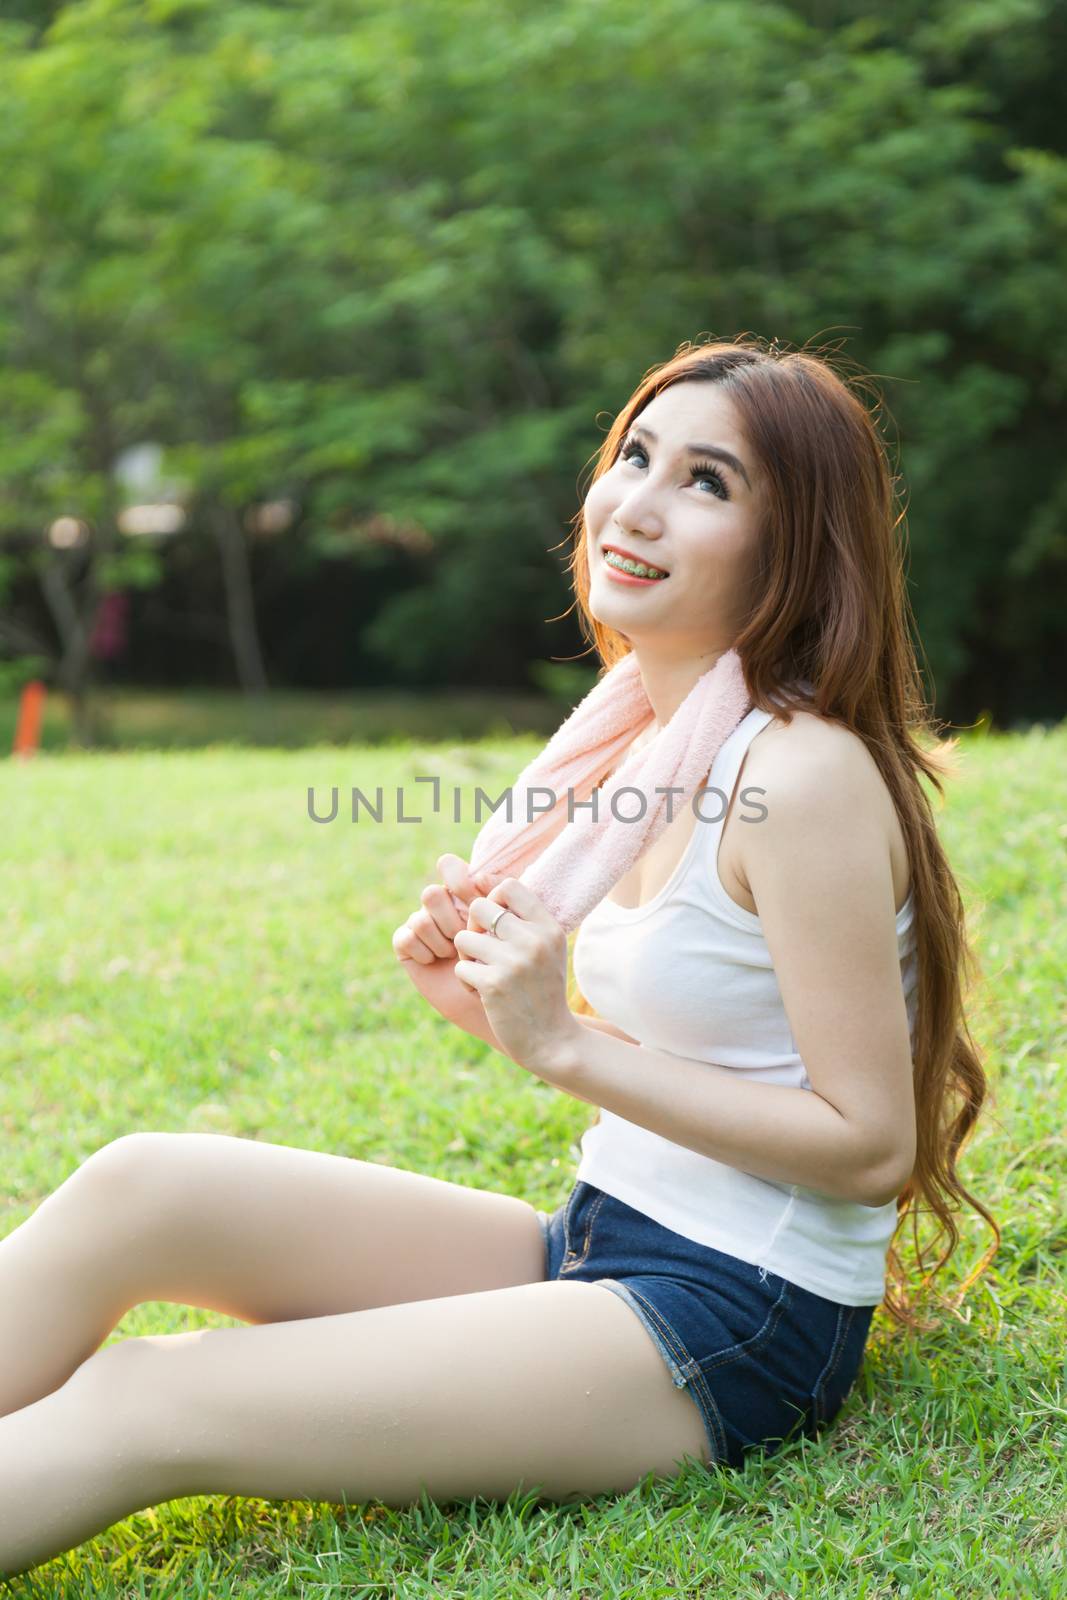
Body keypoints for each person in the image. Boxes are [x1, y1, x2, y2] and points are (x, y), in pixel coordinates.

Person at [0, 337, 998, 1578]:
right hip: (598, 1235)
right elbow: (699, 1058)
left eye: (707, 482)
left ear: (792, 545)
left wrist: (559, 1040)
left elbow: (865, 1147)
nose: (637, 500)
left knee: (145, 1402)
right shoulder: (656, 736)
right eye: (634, 454)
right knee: (143, 1186)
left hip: (731, 1320)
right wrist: (493, 1008)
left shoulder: (797, 776)